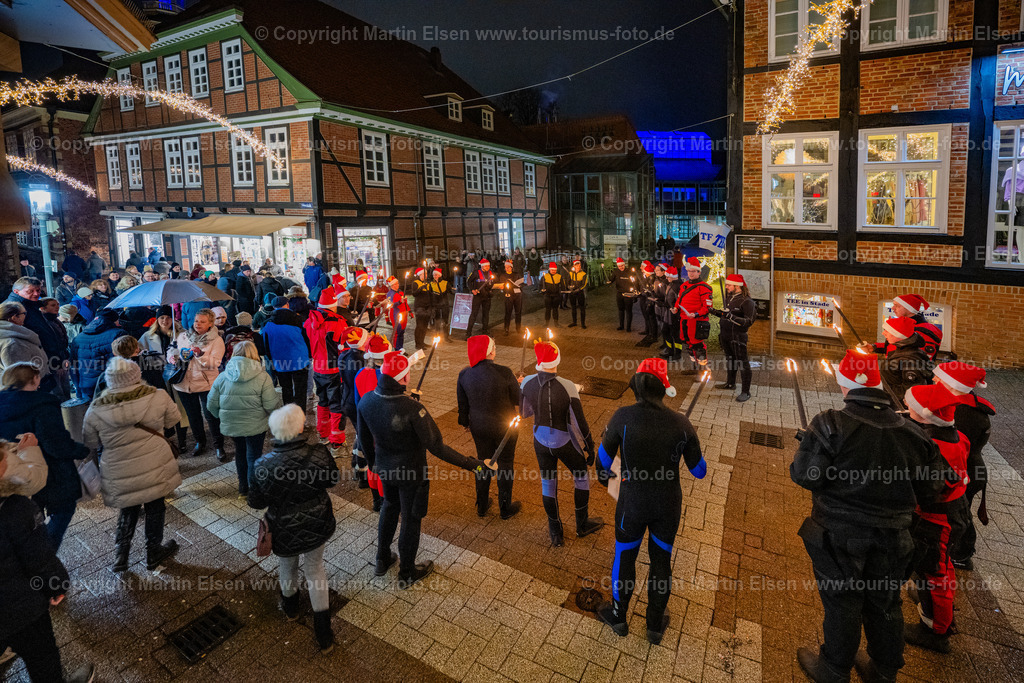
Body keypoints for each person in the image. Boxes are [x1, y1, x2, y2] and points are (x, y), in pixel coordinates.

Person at [790, 350, 955, 683]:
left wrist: (809, 444)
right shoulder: (914, 432)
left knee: (842, 600)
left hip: (839, 535)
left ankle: (834, 668)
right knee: (884, 602)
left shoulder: (830, 423)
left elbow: (806, 475)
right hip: (894, 537)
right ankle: (884, 670)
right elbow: (934, 487)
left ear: (845, 385)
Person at [357, 350, 491, 587]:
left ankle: (382, 558)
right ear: (405, 377)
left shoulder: (367, 400)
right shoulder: (412, 409)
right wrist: (475, 466)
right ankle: (407, 572)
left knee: (389, 507)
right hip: (412, 474)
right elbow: (437, 447)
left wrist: (374, 465)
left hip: (385, 469)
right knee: (410, 518)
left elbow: (365, 440)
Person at [595, 358, 706, 644]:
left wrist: (609, 476)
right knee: (661, 561)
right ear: (663, 388)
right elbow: (700, 471)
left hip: (631, 503)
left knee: (625, 557)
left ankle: (619, 617)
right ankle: (654, 624)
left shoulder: (622, 417)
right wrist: (689, 443)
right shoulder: (682, 423)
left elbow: (602, 465)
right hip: (667, 504)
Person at [0, 444, 95, 683]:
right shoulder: (15, 508)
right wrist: (57, 585)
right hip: (19, 608)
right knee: (42, 659)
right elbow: (39, 559)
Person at [249, 404, 340, 653]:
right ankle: (324, 633)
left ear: (274, 432)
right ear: (300, 427)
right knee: (315, 569)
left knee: (287, 565)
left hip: (282, 526)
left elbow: (256, 501)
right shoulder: (320, 453)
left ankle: (291, 609)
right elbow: (332, 480)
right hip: (317, 522)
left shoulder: (262, 465)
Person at [83, 357, 181, 572]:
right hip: (154, 462)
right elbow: (173, 420)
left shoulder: (96, 408)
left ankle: (121, 554)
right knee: (155, 506)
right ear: (137, 376)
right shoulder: (158, 396)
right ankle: (153, 552)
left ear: (110, 380)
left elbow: (89, 441)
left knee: (128, 509)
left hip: (119, 468)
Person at [902, 382, 971, 654]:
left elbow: (927, 487)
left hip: (937, 521)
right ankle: (934, 606)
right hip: (953, 513)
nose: (907, 408)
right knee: (938, 566)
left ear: (924, 415)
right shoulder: (956, 436)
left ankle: (936, 630)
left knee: (935, 573)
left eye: (911, 407)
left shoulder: (931, 447)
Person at [520, 340, 603, 546]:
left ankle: (555, 532)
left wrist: (522, 387)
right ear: (557, 358)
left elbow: (523, 412)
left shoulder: (527, 382)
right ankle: (581, 525)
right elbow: (579, 423)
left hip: (540, 440)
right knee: (581, 477)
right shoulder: (567, 386)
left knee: (548, 484)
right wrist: (589, 447)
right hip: (564, 441)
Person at [0, 362, 88, 551]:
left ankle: (34, 552)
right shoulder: (42, 405)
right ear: (35, 379)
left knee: (31, 515)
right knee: (63, 510)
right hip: (52, 473)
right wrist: (80, 450)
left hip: (16, 473)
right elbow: (56, 444)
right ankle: (46, 554)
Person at [932, 363, 996, 571]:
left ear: (952, 385)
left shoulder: (963, 413)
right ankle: (960, 551)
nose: (933, 380)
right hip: (969, 469)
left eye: (938, 378)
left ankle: (960, 553)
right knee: (960, 512)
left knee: (958, 514)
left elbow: (953, 448)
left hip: (965, 472)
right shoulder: (965, 405)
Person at [458, 335, 522, 519]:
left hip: (479, 425)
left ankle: (482, 504)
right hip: (505, 427)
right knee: (506, 463)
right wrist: (518, 385)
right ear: (490, 352)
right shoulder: (504, 372)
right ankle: (505, 507)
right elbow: (518, 399)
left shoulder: (464, 374)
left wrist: (464, 422)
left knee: (483, 461)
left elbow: (463, 404)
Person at [207, 341, 281, 496]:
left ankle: (243, 488)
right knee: (254, 455)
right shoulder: (263, 377)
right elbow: (270, 405)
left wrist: (222, 417)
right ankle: (254, 489)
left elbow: (210, 404)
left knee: (240, 453)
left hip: (232, 425)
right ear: (255, 355)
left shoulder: (222, 377)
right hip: (256, 425)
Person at [168, 308, 227, 461]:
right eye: (196, 321)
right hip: (184, 383)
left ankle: (218, 445)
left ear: (210, 324)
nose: (198, 324)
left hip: (206, 383)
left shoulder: (216, 340)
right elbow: (172, 350)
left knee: (211, 416)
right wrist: (172, 358)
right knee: (193, 416)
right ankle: (200, 442)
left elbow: (215, 363)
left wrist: (200, 354)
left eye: (202, 321)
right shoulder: (182, 336)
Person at [305, 289, 348, 455]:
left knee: (322, 401)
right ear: (333, 304)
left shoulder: (310, 321)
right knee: (336, 404)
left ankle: (323, 434)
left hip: (318, 368)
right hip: (334, 369)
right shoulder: (337, 322)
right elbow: (343, 347)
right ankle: (336, 440)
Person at [6, 277, 64, 392]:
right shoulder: (14, 309)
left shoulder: (31, 306)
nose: (36, 294)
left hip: (46, 361)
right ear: (16, 292)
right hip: (34, 367)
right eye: (30, 291)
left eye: (38, 290)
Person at [869, 317, 933, 409]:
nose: (883, 333)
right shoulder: (903, 349)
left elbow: (911, 391)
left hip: (899, 408)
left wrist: (884, 390)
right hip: (892, 404)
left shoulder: (910, 361)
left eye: (887, 330)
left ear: (898, 335)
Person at [710, 274, 756, 402]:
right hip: (725, 334)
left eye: (729, 285)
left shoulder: (747, 301)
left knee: (743, 363)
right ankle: (730, 384)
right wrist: (714, 311)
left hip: (738, 336)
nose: (727, 287)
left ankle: (746, 392)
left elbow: (748, 321)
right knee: (730, 360)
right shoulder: (730, 297)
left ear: (737, 286)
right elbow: (725, 314)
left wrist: (730, 316)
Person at [262, 297, 311, 411]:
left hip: (280, 361)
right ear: (287, 304)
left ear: (273, 307)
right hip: (300, 360)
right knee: (300, 389)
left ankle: (288, 412)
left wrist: (270, 359)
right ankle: (300, 415)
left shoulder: (267, 323)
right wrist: (309, 355)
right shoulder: (299, 320)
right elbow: (307, 339)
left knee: (286, 388)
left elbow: (266, 345)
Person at [69, 308, 128, 400]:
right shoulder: (118, 334)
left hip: (86, 388)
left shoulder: (78, 338)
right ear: (115, 320)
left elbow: (73, 366)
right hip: (110, 386)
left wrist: (79, 391)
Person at [675, 257, 713, 368]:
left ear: (699, 272)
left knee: (698, 345)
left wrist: (696, 314)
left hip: (697, 321)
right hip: (684, 319)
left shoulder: (705, 288)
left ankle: (702, 369)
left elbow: (707, 307)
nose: (690, 273)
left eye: (693, 271)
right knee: (687, 343)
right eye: (689, 271)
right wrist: (676, 308)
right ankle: (694, 367)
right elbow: (679, 299)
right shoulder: (684, 285)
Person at [0, 303, 48, 381]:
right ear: (14, 317)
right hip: (30, 386)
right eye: (24, 313)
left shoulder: (14, 336)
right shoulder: (12, 343)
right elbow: (18, 376)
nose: (26, 316)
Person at [891, 293, 942, 362]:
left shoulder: (924, 331)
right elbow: (897, 346)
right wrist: (875, 347)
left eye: (896, 306)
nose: (892, 308)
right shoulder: (907, 326)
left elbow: (920, 362)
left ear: (909, 309)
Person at [465, 258, 494, 338]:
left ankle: (485, 330)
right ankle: (468, 333)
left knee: (486, 314)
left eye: (488, 266)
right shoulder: (476, 272)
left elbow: (492, 283)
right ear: (482, 266)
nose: (488, 267)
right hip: (478, 296)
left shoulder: (490, 273)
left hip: (487, 296)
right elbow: (468, 281)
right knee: (474, 314)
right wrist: (472, 290)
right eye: (486, 266)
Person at [659, 266, 683, 360]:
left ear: (673, 276)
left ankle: (677, 353)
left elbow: (680, 301)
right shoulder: (671, 283)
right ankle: (670, 350)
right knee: (665, 331)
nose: (667, 278)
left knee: (675, 334)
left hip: (674, 314)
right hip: (668, 313)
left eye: (668, 277)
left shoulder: (678, 286)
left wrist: (676, 309)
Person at [496, 260, 524, 335]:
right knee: (508, 312)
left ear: (511, 267)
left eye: (508, 267)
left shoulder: (516, 274)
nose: (507, 269)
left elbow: (522, 283)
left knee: (518, 312)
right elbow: (501, 285)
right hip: (509, 295)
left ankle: (518, 328)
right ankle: (506, 329)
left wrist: (520, 285)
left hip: (517, 295)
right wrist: (502, 288)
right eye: (505, 267)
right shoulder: (503, 276)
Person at [539, 262, 564, 326]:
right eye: (552, 270)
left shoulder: (559, 276)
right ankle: (546, 323)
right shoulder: (545, 276)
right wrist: (542, 291)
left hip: (556, 295)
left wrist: (561, 293)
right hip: (548, 295)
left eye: (555, 270)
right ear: (549, 269)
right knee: (548, 309)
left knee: (555, 309)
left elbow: (563, 286)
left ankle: (556, 323)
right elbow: (541, 285)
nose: (553, 271)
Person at [567, 258, 589, 329]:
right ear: (574, 266)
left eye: (579, 266)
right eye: (577, 266)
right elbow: (567, 282)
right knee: (573, 307)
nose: (578, 267)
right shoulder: (570, 273)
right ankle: (574, 322)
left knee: (582, 308)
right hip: (572, 292)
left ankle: (583, 323)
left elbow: (584, 284)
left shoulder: (583, 274)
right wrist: (569, 287)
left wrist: (578, 289)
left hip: (580, 293)